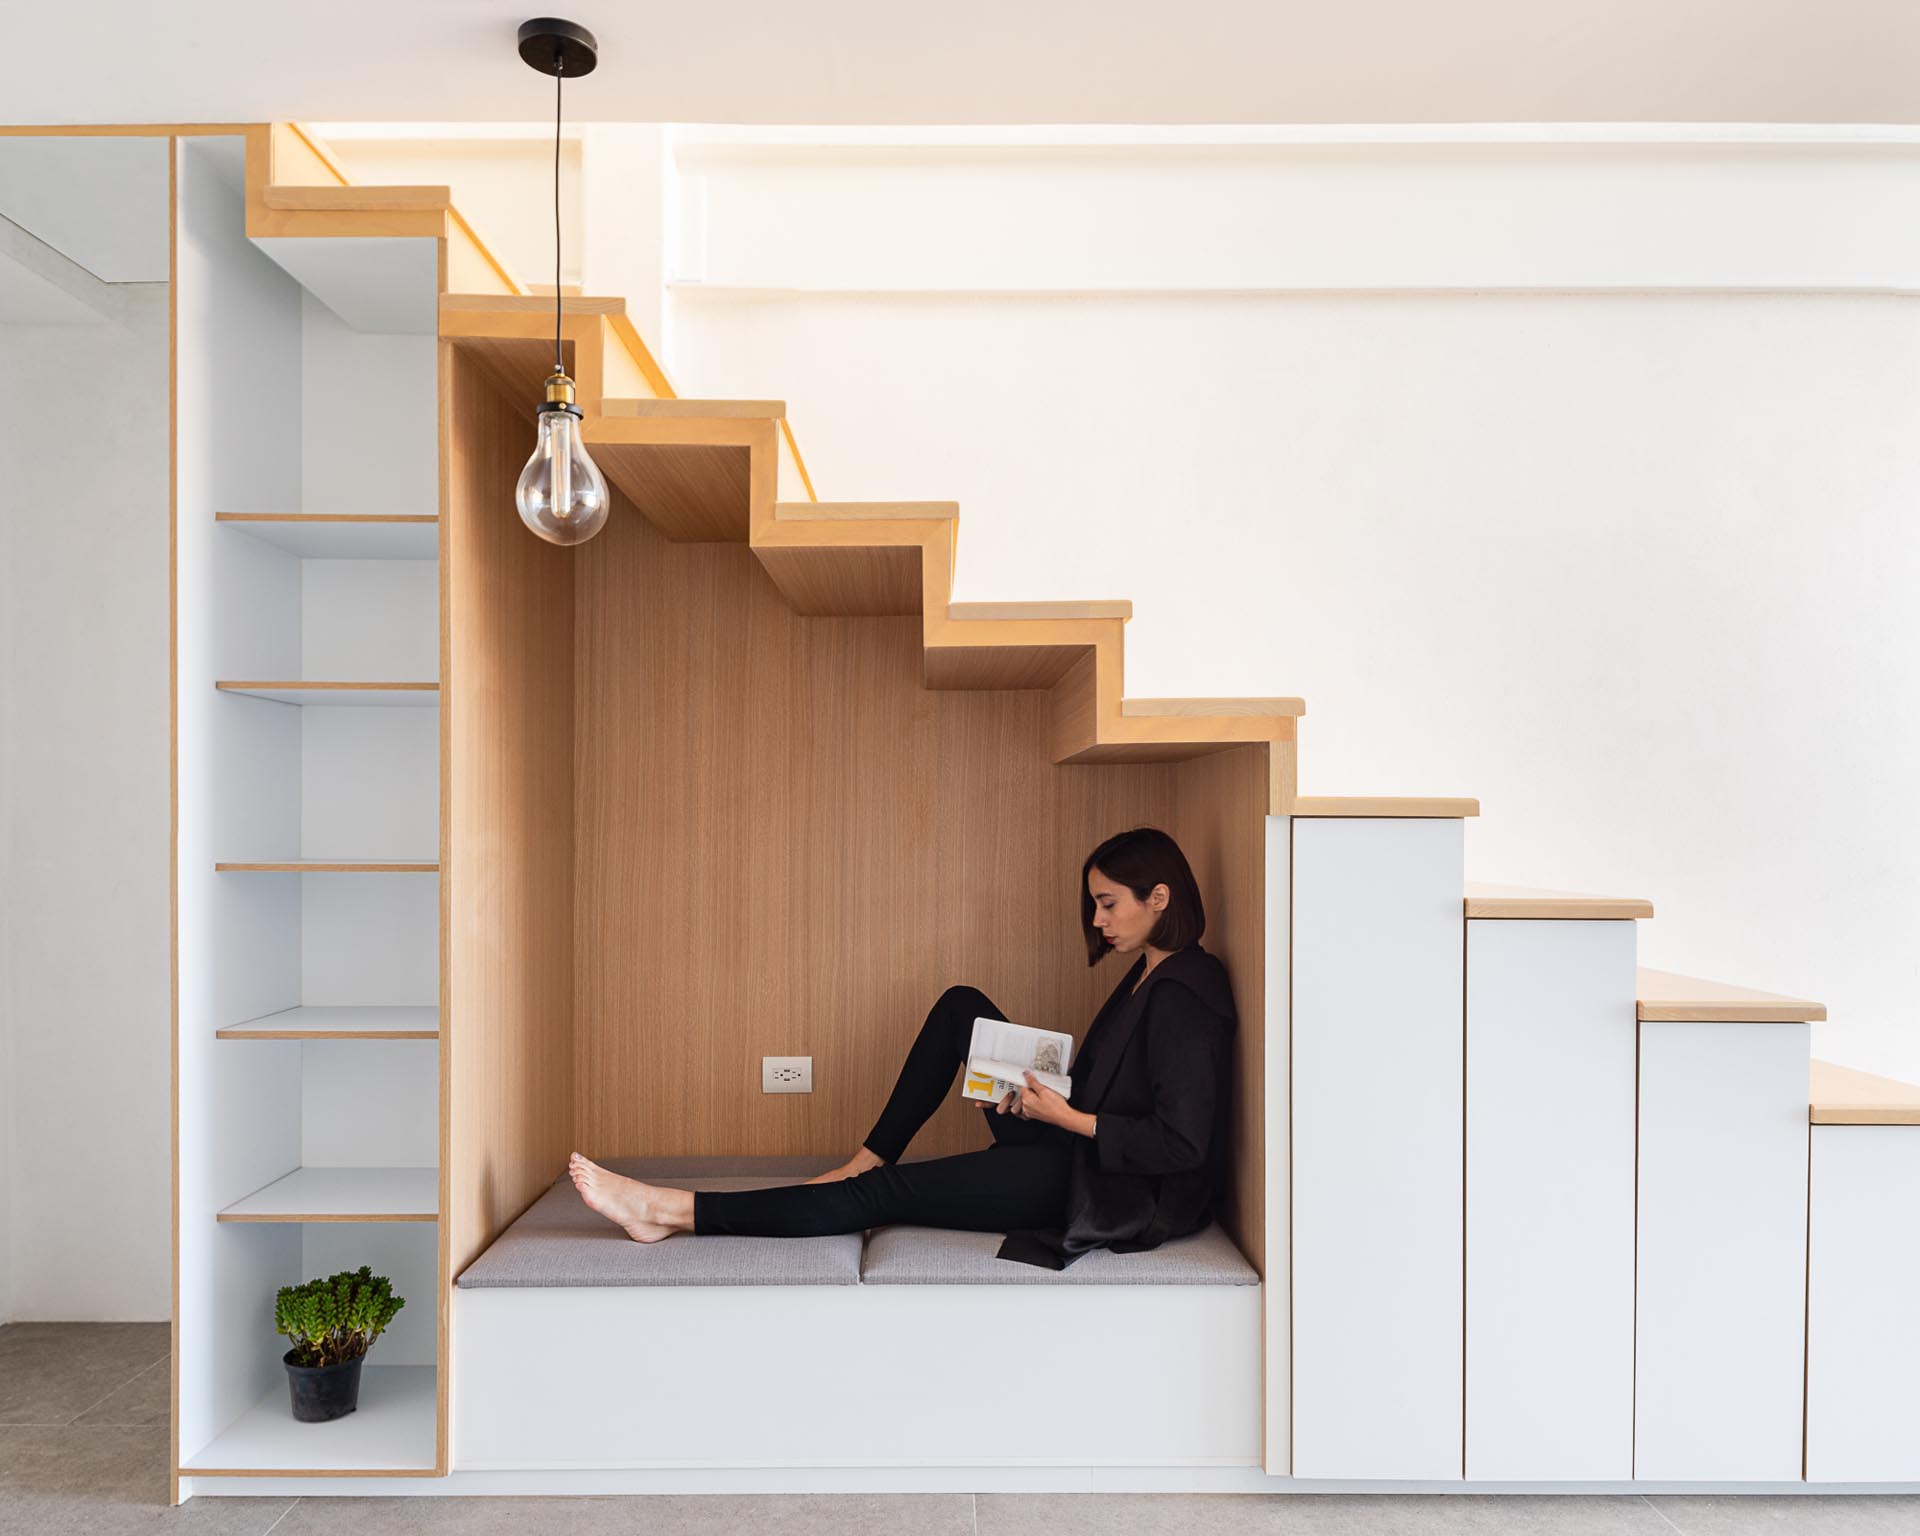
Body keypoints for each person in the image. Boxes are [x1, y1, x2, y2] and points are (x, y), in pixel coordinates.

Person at [567, 825, 1238, 1269]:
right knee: (962, 1008)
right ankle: (864, 1157)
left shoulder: (1186, 995)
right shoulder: (1152, 967)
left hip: (1106, 1188)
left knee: (885, 1195)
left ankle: (666, 1211)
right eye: (1093, 904)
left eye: (1108, 904)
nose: (1096, 920)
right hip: (1078, 1145)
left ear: (1158, 897)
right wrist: (1042, 1095)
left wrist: (1065, 1118)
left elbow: (1183, 1146)